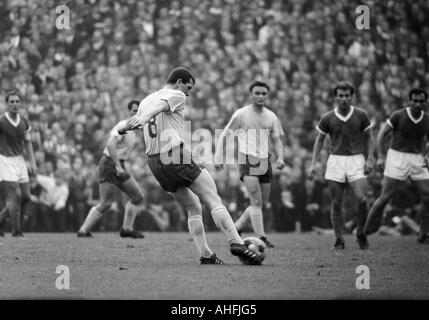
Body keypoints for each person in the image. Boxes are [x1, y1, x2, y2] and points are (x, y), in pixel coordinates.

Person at [120, 66, 264, 265]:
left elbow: (142, 120)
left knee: (193, 206)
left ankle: (206, 255)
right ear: (179, 81)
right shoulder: (176, 94)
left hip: (154, 162)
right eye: (189, 86)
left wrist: (124, 127)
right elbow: (161, 107)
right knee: (213, 198)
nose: (189, 91)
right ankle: (236, 242)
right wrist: (144, 118)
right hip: (173, 154)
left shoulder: (145, 100)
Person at [214, 80, 285, 248]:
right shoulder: (241, 114)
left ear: (267, 95)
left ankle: (237, 227)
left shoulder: (271, 116)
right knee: (256, 202)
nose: (260, 96)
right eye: (257, 93)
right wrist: (218, 156)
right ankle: (262, 237)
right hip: (247, 159)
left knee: (261, 203)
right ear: (250, 95)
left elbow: (276, 139)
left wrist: (280, 158)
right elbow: (225, 134)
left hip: (265, 160)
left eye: (263, 93)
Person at [308, 81, 375, 250]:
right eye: (341, 96)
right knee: (336, 203)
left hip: (356, 159)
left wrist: (370, 158)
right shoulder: (328, 117)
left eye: (347, 95)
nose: (344, 99)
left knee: (362, 200)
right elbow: (319, 140)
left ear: (352, 97)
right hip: (335, 161)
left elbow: (369, 137)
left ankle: (360, 233)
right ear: (335, 97)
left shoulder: (361, 115)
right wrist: (313, 163)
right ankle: (339, 238)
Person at [364, 88, 429, 244]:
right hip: (397, 156)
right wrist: (380, 156)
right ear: (409, 101)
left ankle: (423, 233)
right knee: (385, 197)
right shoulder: (398, 115)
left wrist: (426, 155)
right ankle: (364, 231)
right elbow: (381, 135)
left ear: (425, 102)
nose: (418, 104)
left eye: (421, 101)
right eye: (415, 100)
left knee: (427, 196)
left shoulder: (427, 119)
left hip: (416, 158)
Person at [77, 100, 145, 238]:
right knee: (106, 203)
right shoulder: (123, 126)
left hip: (119, 164)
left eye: (139, 112)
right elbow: (110, 145)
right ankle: (83, 231)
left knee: (137, 197)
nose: (136, 114)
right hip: (109, 164)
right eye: (134, 111)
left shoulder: (135, 131)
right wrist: (118, 166)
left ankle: (126, 229)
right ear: (129, 112)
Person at [0, 91, 37, 237]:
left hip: (19, 160)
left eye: (17, 101)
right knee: (15, 195)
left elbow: (28, 143)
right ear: (7, 104)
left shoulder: (24, 121)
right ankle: (17, 231)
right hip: (4, 160)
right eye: (12, 102)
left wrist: (32, 162)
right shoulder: (1, 121)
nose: (15, 104)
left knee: (26, 197)